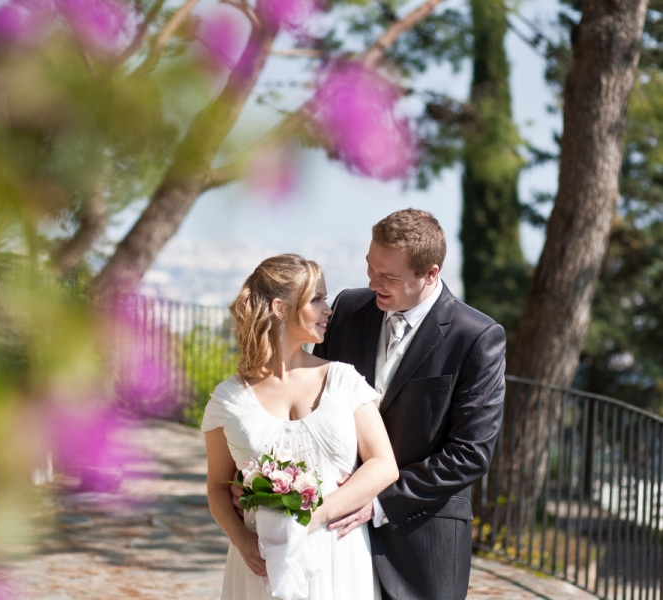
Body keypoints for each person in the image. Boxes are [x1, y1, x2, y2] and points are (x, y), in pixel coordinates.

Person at [312, 208, 506, 599]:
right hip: (335, 537)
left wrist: (379, 499)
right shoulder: (348, 309)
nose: (372, 282)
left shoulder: (477, 337)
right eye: (370, 268)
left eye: (389, 277)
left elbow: (469, 454)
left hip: (423, 542)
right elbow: (311, 401)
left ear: (430, 274)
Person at [202, 253, 399, 600]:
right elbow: (218, 487)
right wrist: (241, 538)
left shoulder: (343, 380)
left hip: (338, 555)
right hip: (259, 561)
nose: (328, 310)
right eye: (317, 299)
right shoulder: (229, 400)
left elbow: (384, 465)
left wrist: (316, 516)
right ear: (280, 308)